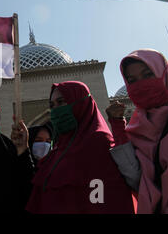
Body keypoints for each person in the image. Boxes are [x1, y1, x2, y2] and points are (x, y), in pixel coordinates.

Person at [26, 81, 135, 214]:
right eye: (52, 105)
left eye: (61, 102)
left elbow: (104, 199)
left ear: (81, 103)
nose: (56, 110)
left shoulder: (97, 141)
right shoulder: (59, 148)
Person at [106, 49, 168, 214]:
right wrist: (118, 127)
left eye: (148, 74)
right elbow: (137, 179)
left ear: (164, 74)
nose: (141, 84)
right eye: (132, 80)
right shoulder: (137, 126)